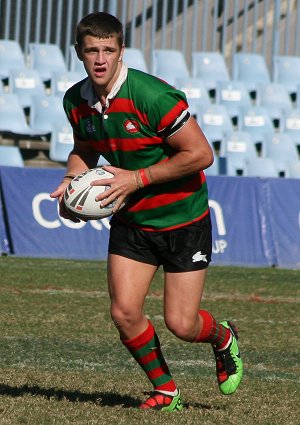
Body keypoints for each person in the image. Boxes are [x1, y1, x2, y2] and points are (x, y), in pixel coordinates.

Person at [50, 12, 243, 411]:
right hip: (132, 221)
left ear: (122, 51)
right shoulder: (76, 100)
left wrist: (136, 179)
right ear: (79, 54)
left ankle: (222, 338)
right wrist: (72, 180)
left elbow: (201, 154)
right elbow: (86, 147)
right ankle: (166, 391)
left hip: (182, 221)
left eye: (108, 50)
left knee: (182, 324)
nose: (100, 59)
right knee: (123, 312)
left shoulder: (152, 96)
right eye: (91, 51)